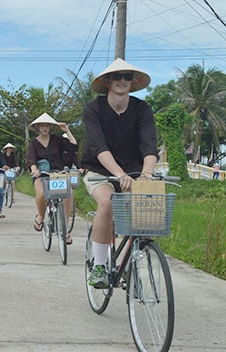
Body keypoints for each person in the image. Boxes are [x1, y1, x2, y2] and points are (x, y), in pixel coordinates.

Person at [81, 58, 158, 289]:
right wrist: (119, 174)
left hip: (133, 171)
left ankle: (128, 262)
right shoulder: (93, 109)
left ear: (132, 82)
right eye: (117, 76)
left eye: (127, 76)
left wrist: (146, 175)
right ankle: (100, 266)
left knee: (141, 214)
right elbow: (99, 147)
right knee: (107, 203)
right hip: (99, 171)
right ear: (107, 81)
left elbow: (149, 146)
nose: (122, 80)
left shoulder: (142, 109)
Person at [25, 112, 77, 244]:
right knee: (41, 194)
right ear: (37, 127)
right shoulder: (33, 144)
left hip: (57, 174)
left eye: (47, 125)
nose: (44, 127)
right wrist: (34, 169)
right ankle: (41, 216)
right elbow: (30, 160)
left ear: (50, 127)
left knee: (69, 193)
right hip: (41, 175)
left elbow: (73, 147)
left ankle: (65, 228)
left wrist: (67, 130)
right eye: (41, 125)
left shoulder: (57, 140)